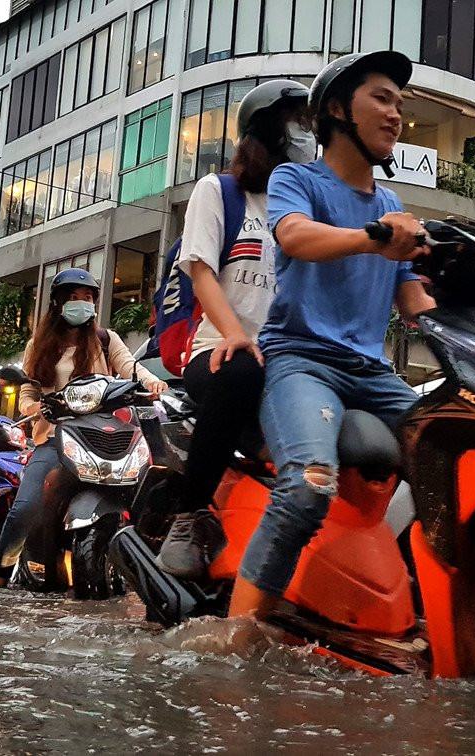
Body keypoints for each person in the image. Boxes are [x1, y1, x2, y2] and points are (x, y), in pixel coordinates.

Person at [228, 51, 437, 619]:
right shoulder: (298, 179)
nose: (396, 114)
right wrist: (373, 237)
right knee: (308, 485)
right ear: (340, 110)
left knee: (456, 458)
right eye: (382, 98)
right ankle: (235, 637)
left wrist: (451, 300)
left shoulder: (391, 205)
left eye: (399, 102)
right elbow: (294, 236)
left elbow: (412, 297)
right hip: (302, 361)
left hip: (373, 374)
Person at [156, 79, 317, 579]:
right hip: (216, 349)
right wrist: (232, 333)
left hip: (287, 360)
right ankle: (188, 515)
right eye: (297, 123)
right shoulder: (221, 192)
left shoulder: (306, 210)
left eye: (310, 124)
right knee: (240, 369)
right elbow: (199, 268)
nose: (307, 134)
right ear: (265, 130)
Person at [0, 268, 167, 586]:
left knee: (149, 490)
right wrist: (34, 406)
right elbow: (28, 390)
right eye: (73, 297)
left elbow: (130, 367)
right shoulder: (39, 345)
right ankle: (1, 574)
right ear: (58, 303)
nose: (82, 303)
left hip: (103, 435)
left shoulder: (105, 339)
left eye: (87, 298)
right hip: (54, 438)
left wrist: (155, 383)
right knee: (27, 506)